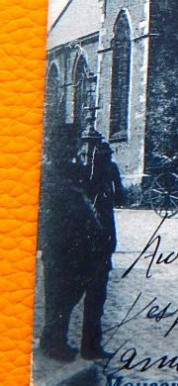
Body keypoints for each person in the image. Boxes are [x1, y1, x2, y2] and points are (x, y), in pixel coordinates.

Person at [37, 128, 110, 362]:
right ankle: (52, 342)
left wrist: (99, 166)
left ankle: (80, 343)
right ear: (55, 147)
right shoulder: (48, 174)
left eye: (76, 144)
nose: (75, 149)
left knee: (84, 295)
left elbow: (93, 190)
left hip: (87, 247)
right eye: (70, 145)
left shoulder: (73, 170)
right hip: (62, 247)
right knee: (60, 296)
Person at [82, 140, 123, 359]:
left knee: (93, 299)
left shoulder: (89, 173)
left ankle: (90, 345)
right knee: (95, 298)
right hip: (97, 248)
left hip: (93, 248)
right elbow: (121, 196)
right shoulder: (101, 175)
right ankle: (89, 346)